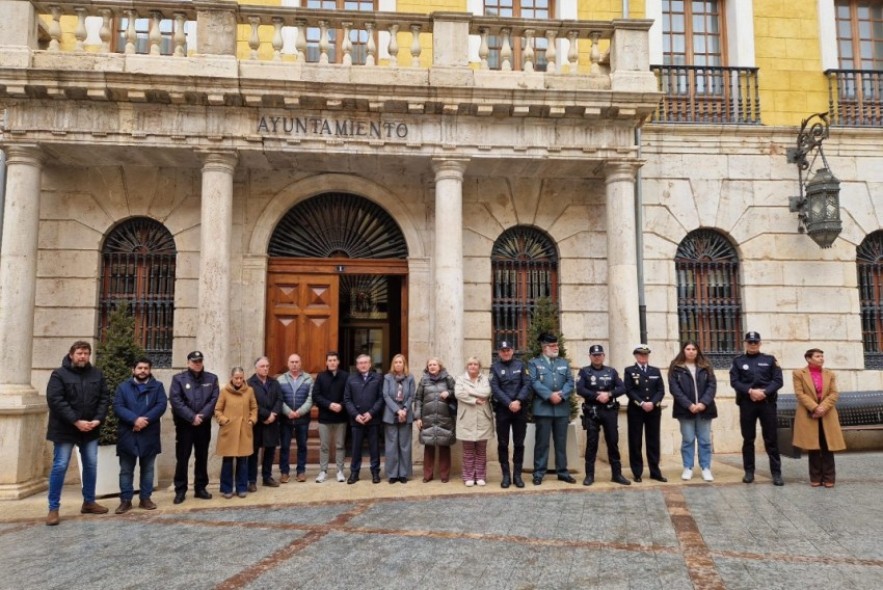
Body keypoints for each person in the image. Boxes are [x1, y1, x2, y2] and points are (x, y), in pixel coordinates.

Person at [45, 340, 110, 526]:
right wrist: (75, 421)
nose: (83, 356)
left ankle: (89, 502)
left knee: (91, 464)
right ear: (71, 354)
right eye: (79, 353)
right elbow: (55, 400)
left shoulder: (97, 374)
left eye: (86, 353)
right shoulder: (59, 374)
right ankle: (53, 508)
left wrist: (97, 419)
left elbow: (104, 399)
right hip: (65, 429)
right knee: (60, 465)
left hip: (90, 428)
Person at [113, 357, 168, 514]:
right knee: (126, 470)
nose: (143, 371)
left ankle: (145, 498)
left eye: (146, 368)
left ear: (150, 370)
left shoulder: (157, 387)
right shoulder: (123, 387)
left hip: (149, 433)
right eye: (140, 368)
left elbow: (161, 405)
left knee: (148, 469)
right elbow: (118, 406)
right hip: (128, 433)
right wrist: (134, 420)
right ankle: (125, 500)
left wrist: (145, 420)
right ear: (133, 370)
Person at [730, 331, 785, 486]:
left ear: (760, 343)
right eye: (750, 342)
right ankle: (749, 472)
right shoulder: (738, 361)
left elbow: (778, 381)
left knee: (771, 439)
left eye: (755, 342)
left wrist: (764, 392)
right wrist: (750, 391)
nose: (752, 345)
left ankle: (776, 473)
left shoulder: (769, 360)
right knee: (748, 439)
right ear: (745, 344)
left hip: (767, 403)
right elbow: (734, 381)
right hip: (747, 403)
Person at [576, 344, 630, 486]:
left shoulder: (611, 371)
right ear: (590, 357)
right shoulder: (584, 372)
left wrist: (609, 394)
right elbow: (580, 389)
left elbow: (622, 387)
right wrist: (596, 396)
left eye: (599, 355)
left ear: (604, 356)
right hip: (592, 411)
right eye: (594, 355)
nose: (597, 357)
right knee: (591, 443)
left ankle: (617, 475)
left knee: (613, 441)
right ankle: (589, 475)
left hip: (609, 410)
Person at [170, 350, 219, 504]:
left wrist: (201, 416)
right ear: (188, 363)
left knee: (202, 456)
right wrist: (192, 417)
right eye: (194, 361)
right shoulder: (178, 379)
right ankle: (180, 490)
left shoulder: (211, 378)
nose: (197, 364)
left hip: (203, 425)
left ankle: (200, 488)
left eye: (199, 361)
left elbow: (214, 399)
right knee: (183, 457)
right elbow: (175, 400)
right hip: (185, 425)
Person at [792, 348, 846, 487]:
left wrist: (823, 407)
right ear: (808, 358)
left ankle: (829, 478)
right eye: (817, 356)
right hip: (808, 414)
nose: (821, 358)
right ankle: (815, 477)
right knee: (813, 446)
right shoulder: (799, 374)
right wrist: (815, 407)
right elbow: (799, 393)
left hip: (827, 414)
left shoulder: (830, 374)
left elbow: (834, 393)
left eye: (822, 356)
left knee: (828, 446)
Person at [528, 333, 576, 485]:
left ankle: (562, 472)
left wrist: (561, 395)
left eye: (557, 345)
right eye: (553, 346)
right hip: (543, 408)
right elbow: (534, 382)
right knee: (542, 443)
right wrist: (549, 395)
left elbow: (570, 381)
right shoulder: (534, 363)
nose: (556, 348)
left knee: (561, 442)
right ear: (544, 348)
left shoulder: (563, 362)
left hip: (561, 407)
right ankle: (539, 473)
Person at [668, 341, 717, 482]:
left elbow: (712, 386)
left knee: (705, 440)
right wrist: (689, 405)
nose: (691, 351)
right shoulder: (676, 367)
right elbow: (674, 389)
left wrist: (703, 403)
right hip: (685, 410)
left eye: (693, 349)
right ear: (683, 351)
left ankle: (705, 468)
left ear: (697, 351)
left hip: (704, 409)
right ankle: (688, 467)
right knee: (688, 439)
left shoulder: (706, 365)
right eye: (688, 349)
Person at [623, 344, 667, 483]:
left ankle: (655, 471)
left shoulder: (655, 371)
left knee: (653, 441)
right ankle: (637, 472)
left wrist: (652, 403)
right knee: (635, 441)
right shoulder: (630, 371)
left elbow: (661, 390)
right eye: (641, 355)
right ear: (636, 356)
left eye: (645, 355)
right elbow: (629, 390)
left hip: (653, 410)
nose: (643, 357)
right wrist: (642, 403)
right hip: (636, 410)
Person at [489, 340, 530, 488]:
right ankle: (506, 475)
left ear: (512, 351)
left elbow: (527, 384)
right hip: (503, 410)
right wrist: (509, 403)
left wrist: (518, 401)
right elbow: (495, 388)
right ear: (499, 352)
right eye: (503, 350)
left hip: (520, 409)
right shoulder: (494, 367)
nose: (506, 353)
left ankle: (517, 475)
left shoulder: (521, 365)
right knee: (503, 443)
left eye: (508, 350)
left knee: (519, 443)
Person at [215, 367, 258, 498]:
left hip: (244, 430)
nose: (239, 380)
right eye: (236, 378)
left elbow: (254, 407)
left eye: (241, 378)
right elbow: (218, 409)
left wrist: (251, 420)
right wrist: (223, 420)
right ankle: (227, 488)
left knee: (242, 461)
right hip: (229, 431)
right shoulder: (224, 392)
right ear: (231, 378)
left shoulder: (249, 391)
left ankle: (241, 487)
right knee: (227, 461)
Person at [414, 358, 457, 483]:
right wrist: (418, 417)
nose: (432, 367)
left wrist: (448, 393)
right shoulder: (424, 380)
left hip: (445, 418)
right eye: (430, 365)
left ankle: (444, 475)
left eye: (434, 364)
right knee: (428, 447)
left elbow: (457, 393)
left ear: (440, 366)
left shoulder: (448, 378)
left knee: (444, 446)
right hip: (428, 418)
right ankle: (428, 475)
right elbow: (418, 399)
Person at [344, 354, 384, 484]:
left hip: (373, 419)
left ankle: (375, 473)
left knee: (374, 448)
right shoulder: (351, 379)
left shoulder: (378, 378)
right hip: (356, 420)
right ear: (356, 365)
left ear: (370, 364)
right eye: (360, 363)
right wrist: (355, 415)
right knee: (355, 448)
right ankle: (354, 473)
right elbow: (347, 399)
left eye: (365, 362)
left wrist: (371, 413)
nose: (363, 365)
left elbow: (381, 398)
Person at [455, 356, 494, 487]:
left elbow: (486, 392)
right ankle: (468, 477)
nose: (473, 366)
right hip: (466, 418)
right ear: (467, 366)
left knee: (481, 450)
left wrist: (469, 391)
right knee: (468, 451)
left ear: (479, 366)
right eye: (470, 364)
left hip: (483, 417)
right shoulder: (460, 379)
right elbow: (458, 393)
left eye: (475, 364)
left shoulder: (485, 379)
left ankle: (481, 476)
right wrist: (474, 400)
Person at [312, 351, 349, 483]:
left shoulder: (345, 376)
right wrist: (329, 404)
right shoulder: (321, 377)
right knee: (324, 446)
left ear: (338, 362)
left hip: (341, 417)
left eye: (334, 360)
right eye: (330, 360)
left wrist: (341, 405)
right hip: (325, 418)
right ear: (326, 363)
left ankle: (340, 471)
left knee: (340, 445)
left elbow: (349, 395)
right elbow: (316, 396)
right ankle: (323, 471)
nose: (332, 362)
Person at [247, 356, 283, 490]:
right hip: (257, 422)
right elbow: (251, 403)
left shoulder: (274, 382)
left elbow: (280, 399)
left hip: (272, 422)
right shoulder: (249, 383)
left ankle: (267, 477)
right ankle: (251, 480)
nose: (266, 368)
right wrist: (266, 415)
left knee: (270, 451)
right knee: (253, 453)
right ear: (256, 368)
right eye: (262, 366)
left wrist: (273, 414)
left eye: (267, 366)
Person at [277, 353, 313, 483]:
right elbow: (279, 399)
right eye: (292, 362)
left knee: (302, 446)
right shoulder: (280, 379)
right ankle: (284, 472)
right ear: (288, 363)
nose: (294, 364)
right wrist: (288, 412)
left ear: (301, 363)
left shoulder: (308, 379)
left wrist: (299, 412)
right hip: (285, 419)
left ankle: (301, 471)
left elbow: (310, 399)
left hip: (302, 419)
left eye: (297, 362)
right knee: (285, 446)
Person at [382, 354, 416, 484]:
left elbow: (411, 396)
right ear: (393, 364)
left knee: (404, 445)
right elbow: (386, 395)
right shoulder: (387, 378)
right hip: (391, 414)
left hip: (405, 415)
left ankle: (403, 473)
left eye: (400, 362)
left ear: (404, 364)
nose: (398, 364)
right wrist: (397, 410)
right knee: (391, 446)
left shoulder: (410, 378)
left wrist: (405, 410)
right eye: (395, 362)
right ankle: (392, 474)